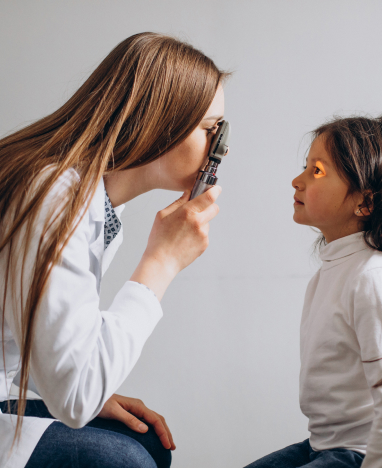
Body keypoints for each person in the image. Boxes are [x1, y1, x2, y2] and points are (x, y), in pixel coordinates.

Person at [0, 32, 228, 468]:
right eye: (210, 129)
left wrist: (83, 391)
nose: (221, 148)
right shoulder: (54, 197)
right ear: (161, 123)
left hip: (10, 389)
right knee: (126, 461)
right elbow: (76, 395)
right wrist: (161, 262)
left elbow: (59, 350)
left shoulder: (89, 200)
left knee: (147, 444)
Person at [245, 117, 382, 468]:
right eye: (304, 167)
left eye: (316, 171)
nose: (297, 181)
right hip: (322, 445)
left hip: (359, 453)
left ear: (365, 203)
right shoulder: (328, 274)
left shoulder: (370, 277)